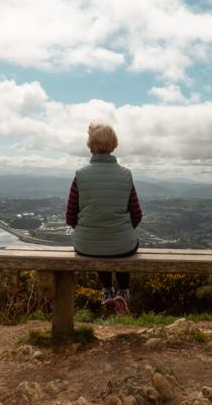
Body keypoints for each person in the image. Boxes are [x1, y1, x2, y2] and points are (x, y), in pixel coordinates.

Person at [65, 122, 142, 314]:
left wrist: (87, 227)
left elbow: (70, 216)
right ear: (114, 144)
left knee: (99, 244)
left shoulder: (80, 175)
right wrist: (122, 228)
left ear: (90, 145)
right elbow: (137, 214)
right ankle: (123, 292)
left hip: (86, 245)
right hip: (123, 244)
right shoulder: (126, 175)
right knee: (121, 244)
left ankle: (107, 290)